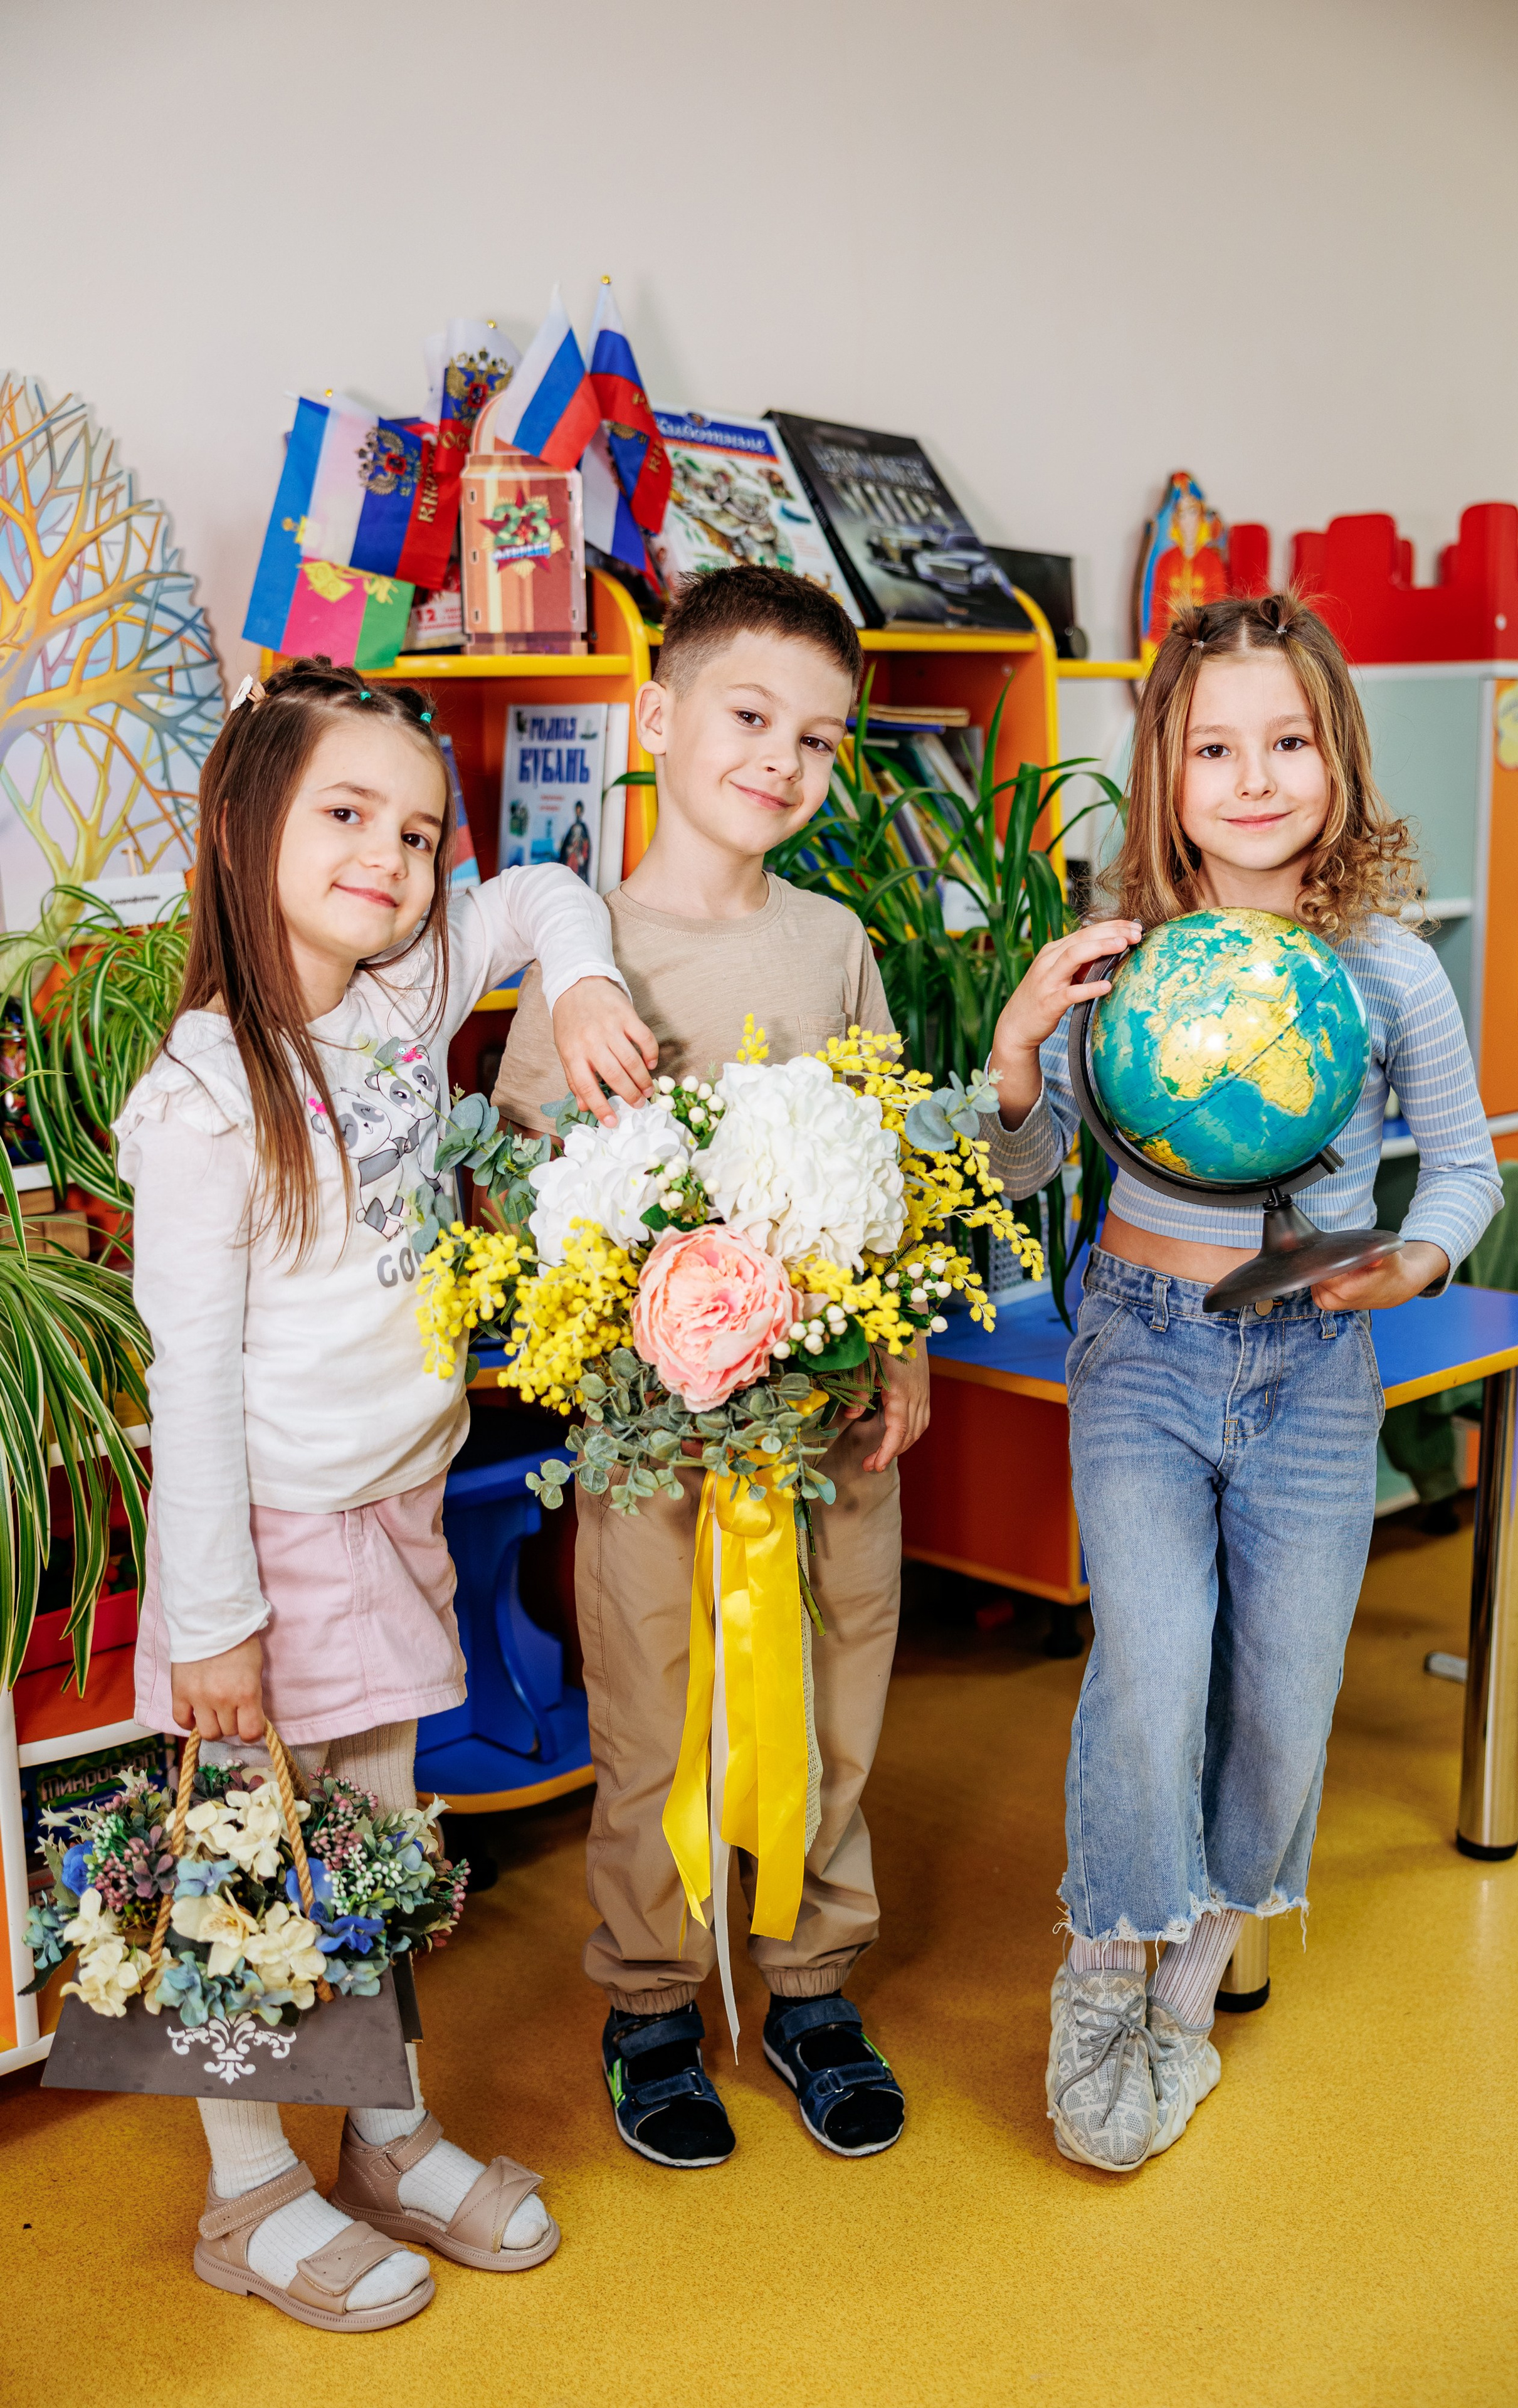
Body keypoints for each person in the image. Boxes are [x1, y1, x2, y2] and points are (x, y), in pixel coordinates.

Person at [117, 655, 658, 2330]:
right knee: (242, 1875)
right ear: (241, 821)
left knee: (376, 1848)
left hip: (390, 1520)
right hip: (261, 1550)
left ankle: (383, 2129)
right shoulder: (205, 1097)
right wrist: (211, 1625)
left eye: (420, 834)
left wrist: (574, 984)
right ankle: (245, 2190)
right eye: (347, 816)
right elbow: (186, 1382)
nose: (395, 861)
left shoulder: (403, 991)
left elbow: (557, 886)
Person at [982, 593, 1501, 2174]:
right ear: (1164, 770)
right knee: (1149, 1677)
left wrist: (1407, 1264)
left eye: (1286, 741)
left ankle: (1191, 1990)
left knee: (1279, 1701)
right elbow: (1022, 1170)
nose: (1253, 776)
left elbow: (1463, 1177)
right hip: (1139, 1345)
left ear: (1335, 758)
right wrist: (1014, 1055)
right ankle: (1099, 1985)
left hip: (1312, 1369)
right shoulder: (1108, 963)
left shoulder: (1387, 970)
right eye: (1213, 746)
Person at [492, 564, 921, 2170]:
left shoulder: (834, 941)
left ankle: (813, 1987)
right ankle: (654, 2004)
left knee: (837, 1701)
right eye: (750, 716)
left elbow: (893, 1173)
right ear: (658, 715)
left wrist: (902, 1356)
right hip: (652, 1447)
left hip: (823, 1429)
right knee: (652, 1720)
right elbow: (521, 1192)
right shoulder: (583, 953)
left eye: (819, 740)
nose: (782, 761)